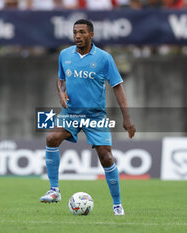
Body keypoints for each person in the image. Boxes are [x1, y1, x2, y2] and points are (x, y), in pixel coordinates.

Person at [39, 19, 136, 216]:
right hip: (71, 113)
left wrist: (127, 118)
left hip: (95, 116)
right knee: (51, 138)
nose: (77, 36)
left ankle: (117, 204)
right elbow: (60, 79)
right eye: (75, 32)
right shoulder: (65, 55)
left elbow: (117, 87)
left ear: (91, 35)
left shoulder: (104, 58)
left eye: (82, 32)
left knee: (106, 157)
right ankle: (54, 190)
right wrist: (60, 93)